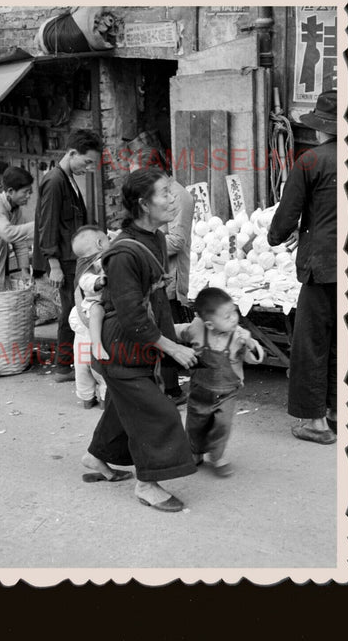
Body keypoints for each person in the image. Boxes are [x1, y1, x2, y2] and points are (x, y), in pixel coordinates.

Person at [82, 167, 199, 513]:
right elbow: (132, 316)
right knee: (158, 411)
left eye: (170, 190)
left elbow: (154, 300)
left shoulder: (157, 238)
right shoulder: (123, 254)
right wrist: (171, 345)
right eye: (164, 193)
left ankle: (96, 458)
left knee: (123, 406)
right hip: (120, 347)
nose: (172, 197)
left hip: (139, 343)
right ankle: (147, 483)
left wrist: (175, 332)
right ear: (144, 204)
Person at [268, 89, 338, 444]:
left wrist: (279, 235)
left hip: (322, 264)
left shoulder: (310, 161)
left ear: (322, 128)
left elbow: (284, 219)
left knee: (312, 343)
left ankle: (316, 422)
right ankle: (337, 411)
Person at [33, 129, 102, 382]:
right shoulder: (55, 181)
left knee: (74, 307)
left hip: (74, 257)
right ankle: (63, 366)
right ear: (72, 153)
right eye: (87, 161)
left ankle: (67, 364)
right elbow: (46, 224)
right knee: (71, 310)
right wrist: (54, 265)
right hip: (64, 259)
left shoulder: (68, 178)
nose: (89, 167)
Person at [128, 148, 195, 406]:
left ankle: (172, 391)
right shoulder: (151, 197)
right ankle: (164, 388)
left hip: (169, 274)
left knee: (167, 330)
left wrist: (138, 248)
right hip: (153, 272)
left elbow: (177, 240)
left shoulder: (179, 197)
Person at [175, 287, 264, 476]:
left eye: (234, 312)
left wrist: (250, 343)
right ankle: (195, 451)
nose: (233, 318)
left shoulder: (239, 336)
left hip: (227, 392)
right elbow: (179, 331)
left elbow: (253, 357)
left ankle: (217, 456)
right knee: (195, 423)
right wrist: (162, 336)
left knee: (222, 424)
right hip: (200, 389)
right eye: (226, 316)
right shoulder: (197, 329)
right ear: (208, 324)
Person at [68, 225, 110, 410]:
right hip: (92, 315)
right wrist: (99, 281)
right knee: (93, 362)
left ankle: (90, 397)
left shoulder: (87, 261)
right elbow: (85, 281)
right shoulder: (94, 264)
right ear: (100, 243)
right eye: (108, 239)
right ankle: (99, 397)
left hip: (84, 316)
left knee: (82, 360)